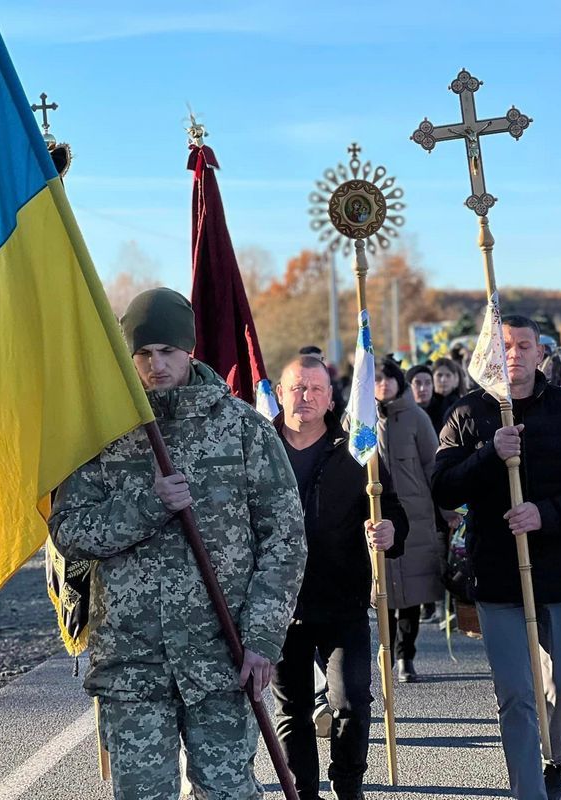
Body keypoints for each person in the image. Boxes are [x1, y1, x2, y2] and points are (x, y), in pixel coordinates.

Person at [48, 288, 307, 800]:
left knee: (229, 793)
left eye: (167, 350)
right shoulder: (105, 436)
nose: (155, 364)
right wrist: (146, 505)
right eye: (143, 354)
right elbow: (69, 533)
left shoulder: (242, 430)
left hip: (222, 659)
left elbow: (285, 539)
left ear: (189, 349)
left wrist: (261, 640)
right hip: (133, 664)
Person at [433, 315, 561, 800]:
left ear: (541, 353)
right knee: (516, 695)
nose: (513, 354)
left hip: (560, 574)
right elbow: (443, 487)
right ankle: (528, 792)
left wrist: (547, 514)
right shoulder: (468, 411)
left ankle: (555, 755)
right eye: (504, 346)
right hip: (497, 575)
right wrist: (489, 453)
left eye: (523, 345)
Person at [270, 355, 409, 800]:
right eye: (296, 387)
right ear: (279, 393)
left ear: (332, 397)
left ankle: (348, 785)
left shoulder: (357, 451)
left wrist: (389, 531)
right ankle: (302, 792)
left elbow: (394, 513)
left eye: (315, 388)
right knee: (291, 710)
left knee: (351, 701)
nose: (305, 396)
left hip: (342, 601)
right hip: (275, 604)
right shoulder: (259, 448)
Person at [375, 357, 446, 682]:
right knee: (383, 593)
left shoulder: (416, 417)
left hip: (415, 516)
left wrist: (447, 511)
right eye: (377, 379)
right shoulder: (359, 421)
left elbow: (433, 466)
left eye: (389, 378)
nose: (384, 384)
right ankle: (386, 653)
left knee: (413, 594)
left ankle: (407, 656)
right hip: (378, 518)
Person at [407, 363, 445, 434]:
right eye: (418, 383)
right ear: (409, 386)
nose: (423, 388)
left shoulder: (445, 410)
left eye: (428, 383)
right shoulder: (402, 414)